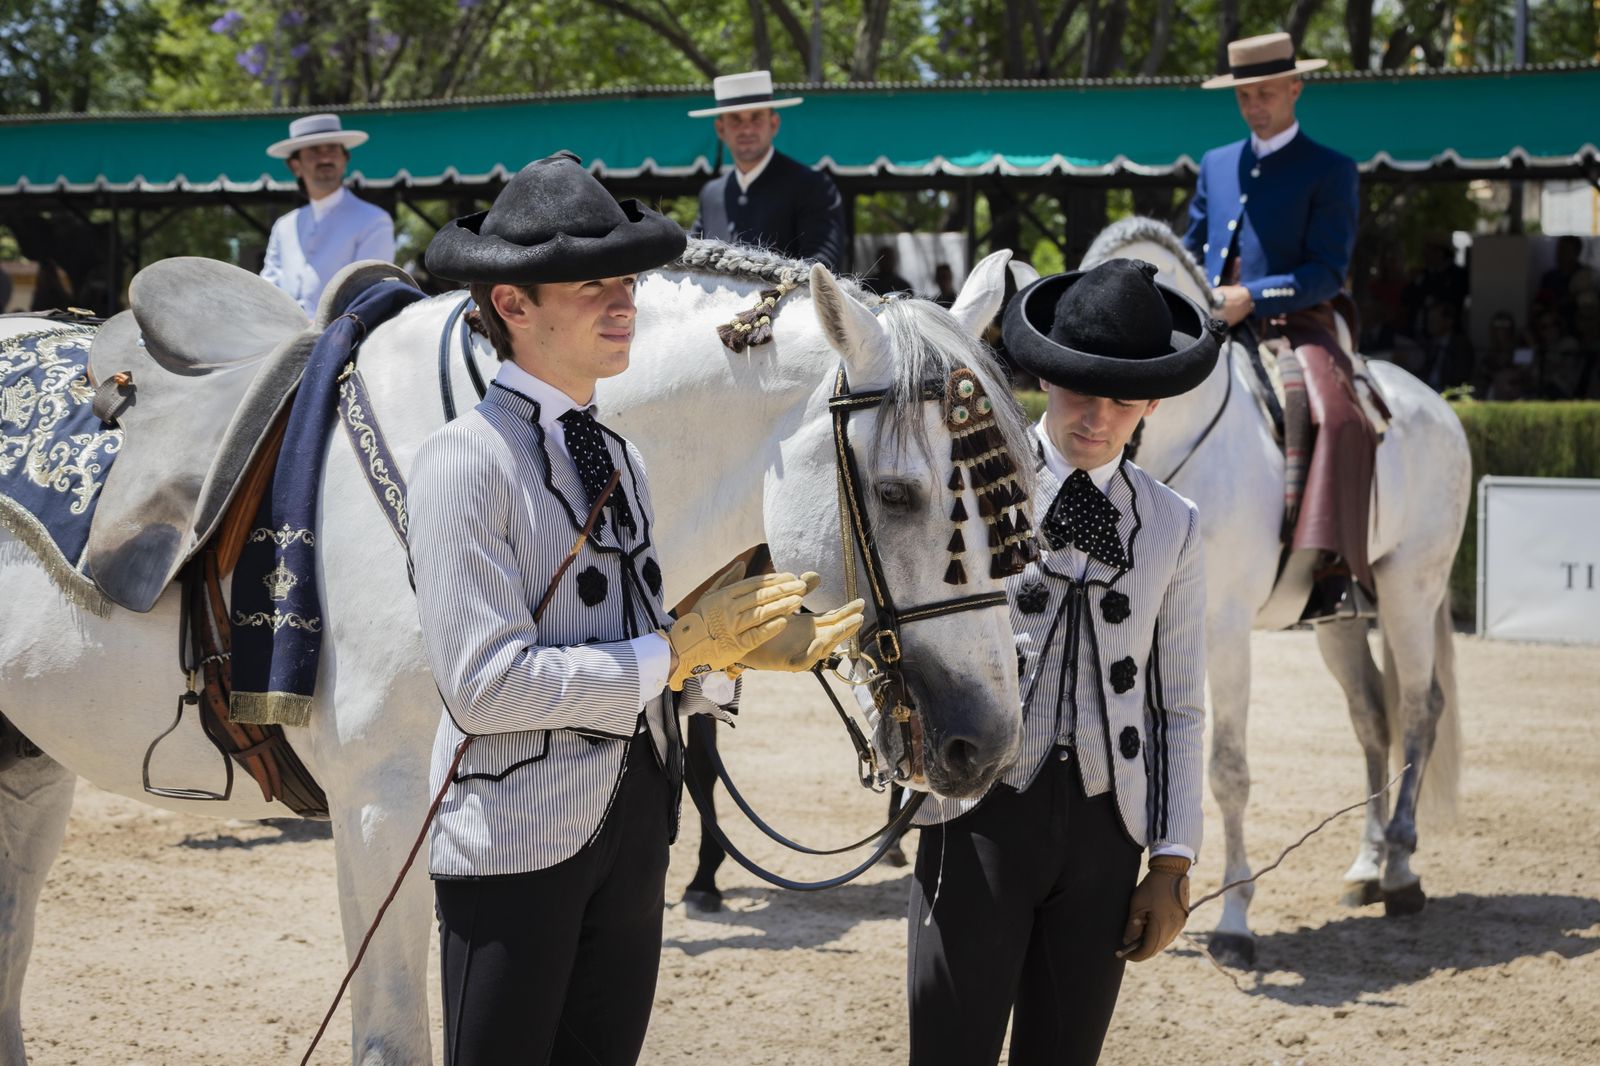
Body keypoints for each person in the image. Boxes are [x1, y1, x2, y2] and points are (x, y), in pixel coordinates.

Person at [408, 153, 859, 1065]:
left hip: (635, 820)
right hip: (516, 835)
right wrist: (678, 648)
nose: (624, 303)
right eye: (590, 286)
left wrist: (730, 657)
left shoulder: (625, 453)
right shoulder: (463, 459)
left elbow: (646, 641)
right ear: (513, 305)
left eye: (626, 282)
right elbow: (483, 690)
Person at [906, 258, 1217, 1066]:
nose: (1099, 418)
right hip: (976, 814)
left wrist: (1173, 859)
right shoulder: (966, 486)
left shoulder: (1174, 524)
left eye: (1123, 401)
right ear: (1047, 379)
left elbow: (1178, 703)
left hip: (1106, 836)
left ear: (1152, 402)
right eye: (1082, 391)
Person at [1181, 31, 1374, 622]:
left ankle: (1332, 567)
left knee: (1338, 417)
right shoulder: (1215, 163)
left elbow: (1327, 271)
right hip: (1210, 321)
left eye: (1265, 93)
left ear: (1296, 88)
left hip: (1295, 321)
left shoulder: (1331, 169)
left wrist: (1252, 295)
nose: (1254, 105)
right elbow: (1189, 246)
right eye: (1244, 97)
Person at [688, 70, 846, 269]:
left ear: (774, 124)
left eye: (756, 118)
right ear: (720, 129)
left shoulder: (813, 186)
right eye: (736, 120)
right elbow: (690, 259)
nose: (746, 129)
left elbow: (820, 268)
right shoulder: (711, 194)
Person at [260, 113, 395, 316]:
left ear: (344, 159)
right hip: (281, 339)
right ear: (295, 166)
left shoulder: (374, 220)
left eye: (332, 149)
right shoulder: (284, 226)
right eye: (314, 151)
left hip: (345, 342)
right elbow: (267, 289)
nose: (325, 158)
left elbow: (369, 294)